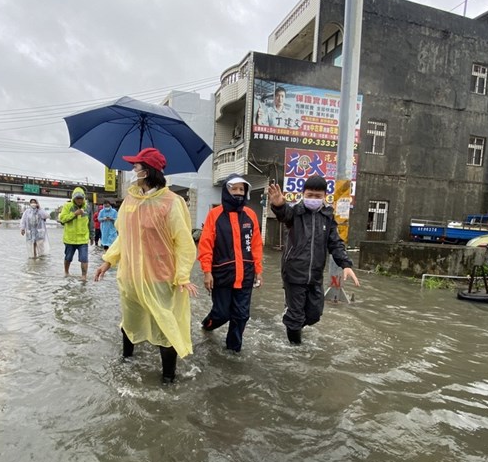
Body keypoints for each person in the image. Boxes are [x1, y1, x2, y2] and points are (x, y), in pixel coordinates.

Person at [94, 147, 198, 384]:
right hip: (130, 275)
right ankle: (126, 362)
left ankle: (168, 378)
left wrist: (182, 276)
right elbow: (124, 236)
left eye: (136, 167)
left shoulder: (172, 202)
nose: (133, 171)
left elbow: (184, 242)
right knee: (129, 321)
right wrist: (108, 261)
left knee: (165, 327)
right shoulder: (131, 200)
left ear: (147, 171)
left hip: (160, 277)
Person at [267, 175, 360, 345]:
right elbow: (284, 215)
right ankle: (295, 350)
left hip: (315, 275)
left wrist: (345, 264)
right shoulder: (296, 212)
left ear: (325, 196)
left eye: (318, 196)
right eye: (310, 195)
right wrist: (279, 205)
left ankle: (292, 321)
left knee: (314, 314)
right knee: (296, 318)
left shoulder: (327, 216)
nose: (313, 199)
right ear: (303, 194)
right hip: (294, 272)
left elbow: (335, 243)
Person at [198, 175, 263, 352]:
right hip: (222, 274)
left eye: (241, 189)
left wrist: (258, 270)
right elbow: (206, 245)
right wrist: (206, 271)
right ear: (226, 190)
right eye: (234, 189)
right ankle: (207, 325)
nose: (238, 193)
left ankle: (233, 351)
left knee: (241, 316)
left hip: (246, 275)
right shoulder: (215, 215)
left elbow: (256, 245)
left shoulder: (250, 216)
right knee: (222, 313)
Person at [58, 187, 93, 278]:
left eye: (81, 198)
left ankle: (84, 277)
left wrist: (92, 236)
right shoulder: (67, 206)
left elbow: (90, 223)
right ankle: (66, 272)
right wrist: (74, 214)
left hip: (83, 238)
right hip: (70, 239)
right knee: (68, 257)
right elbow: (62, 220)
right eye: (77, 198)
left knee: (84, 259)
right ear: (74, 198)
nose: (79, 200)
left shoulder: (87, 208)